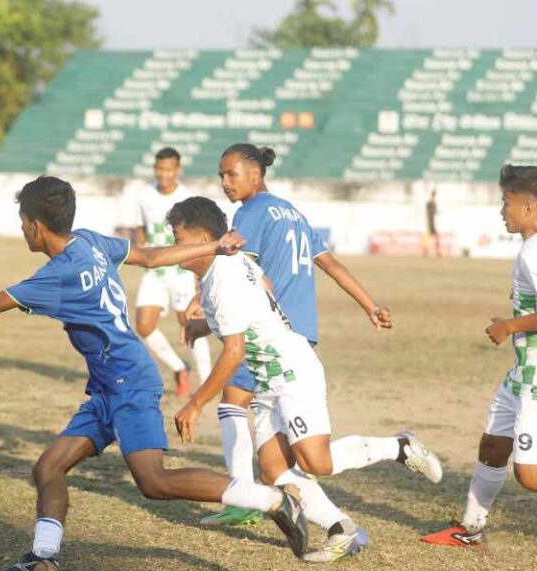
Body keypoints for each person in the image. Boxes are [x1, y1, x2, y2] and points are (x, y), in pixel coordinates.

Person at [0, 175, 308, 571]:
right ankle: (42, 558)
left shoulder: (56, 274)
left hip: (128, 383)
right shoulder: (91, 242)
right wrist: (215, 244)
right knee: (49, 468)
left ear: (36, 227)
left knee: (154, 483)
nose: (22, 229)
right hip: (109, 383)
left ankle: (272, 500)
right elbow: (152, 257)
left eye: (23, 222)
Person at [198, 143, 442, 528]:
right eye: (221, 176)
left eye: (232, 174)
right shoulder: (292, 212)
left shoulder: (251, 212)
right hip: (300, 334)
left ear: (256, 174)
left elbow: (246, 275)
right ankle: (331, 522)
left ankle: (243, 496)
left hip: (274, 333)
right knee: (280, 461)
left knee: (233, 401)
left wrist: (208, 306)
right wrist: (369, 305)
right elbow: (330, 263)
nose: (225, 183)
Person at [168, 196, 370, 562]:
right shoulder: (230, 263)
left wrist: (196, 403)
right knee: (273, 470)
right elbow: (267, 287)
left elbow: (234, 353)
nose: (173, 246)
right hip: (268, 378)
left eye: (177, 236)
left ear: (201, 238)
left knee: (316, 462)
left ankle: (398, 447)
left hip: (292, 370)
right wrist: (207, 324)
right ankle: (343, 529)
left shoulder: (221, 280)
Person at [422, 165, 537, 547]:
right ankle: (472, 529)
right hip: (522, 371)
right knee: (493, 445)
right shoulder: (528, 246)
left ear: (530, 208)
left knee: (529, 476)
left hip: (535, 378)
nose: (501, 211)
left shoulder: (535, 252)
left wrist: (509, 326)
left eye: (507, 203)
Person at [130, 147, 211, 397]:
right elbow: (140, 228)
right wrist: (141, 250)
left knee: (190, 324)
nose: (163, 174)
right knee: (143, 326)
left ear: (178, 170)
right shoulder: (144, 195)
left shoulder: (187, 199)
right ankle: (179, 368)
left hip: (181, 270)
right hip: (154, 270)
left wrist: (197, 273)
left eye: (168, 169)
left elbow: (196, 237)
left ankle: (207, 382)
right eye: (159, 169)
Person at [425, 189, 441, 257]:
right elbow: (431, 212)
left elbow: (433, 212)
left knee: (433, 238)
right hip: (430, 223)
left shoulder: (431, 203)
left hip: (431, 222)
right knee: (432, 238)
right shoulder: (431, 203)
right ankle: (428, 252)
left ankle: (434, 252)